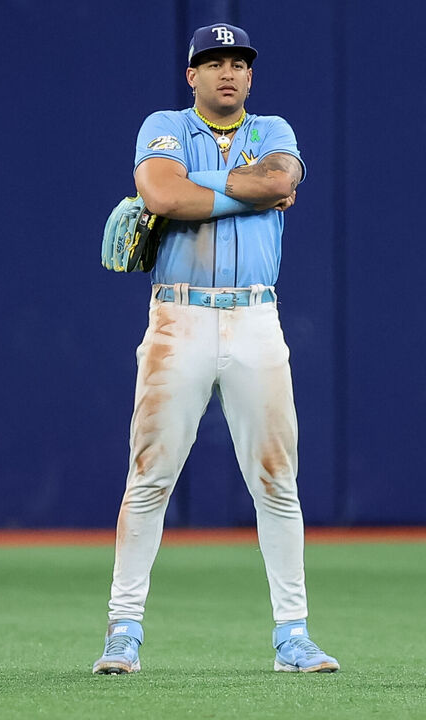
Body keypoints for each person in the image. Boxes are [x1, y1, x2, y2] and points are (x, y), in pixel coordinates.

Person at [92, 22, 338, 675]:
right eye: (213, 61)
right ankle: (124, 629)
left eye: (238, 61)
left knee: (276, 481)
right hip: (179, 318)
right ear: (192, 74)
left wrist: (196, 191)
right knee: (150, 477)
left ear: (250, 76)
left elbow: (276, 182)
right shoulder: (163, 125)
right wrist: (239, 186)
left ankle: (293, 635)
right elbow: (163, 193)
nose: (227, 71)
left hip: (257, 316)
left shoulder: (275, 131)